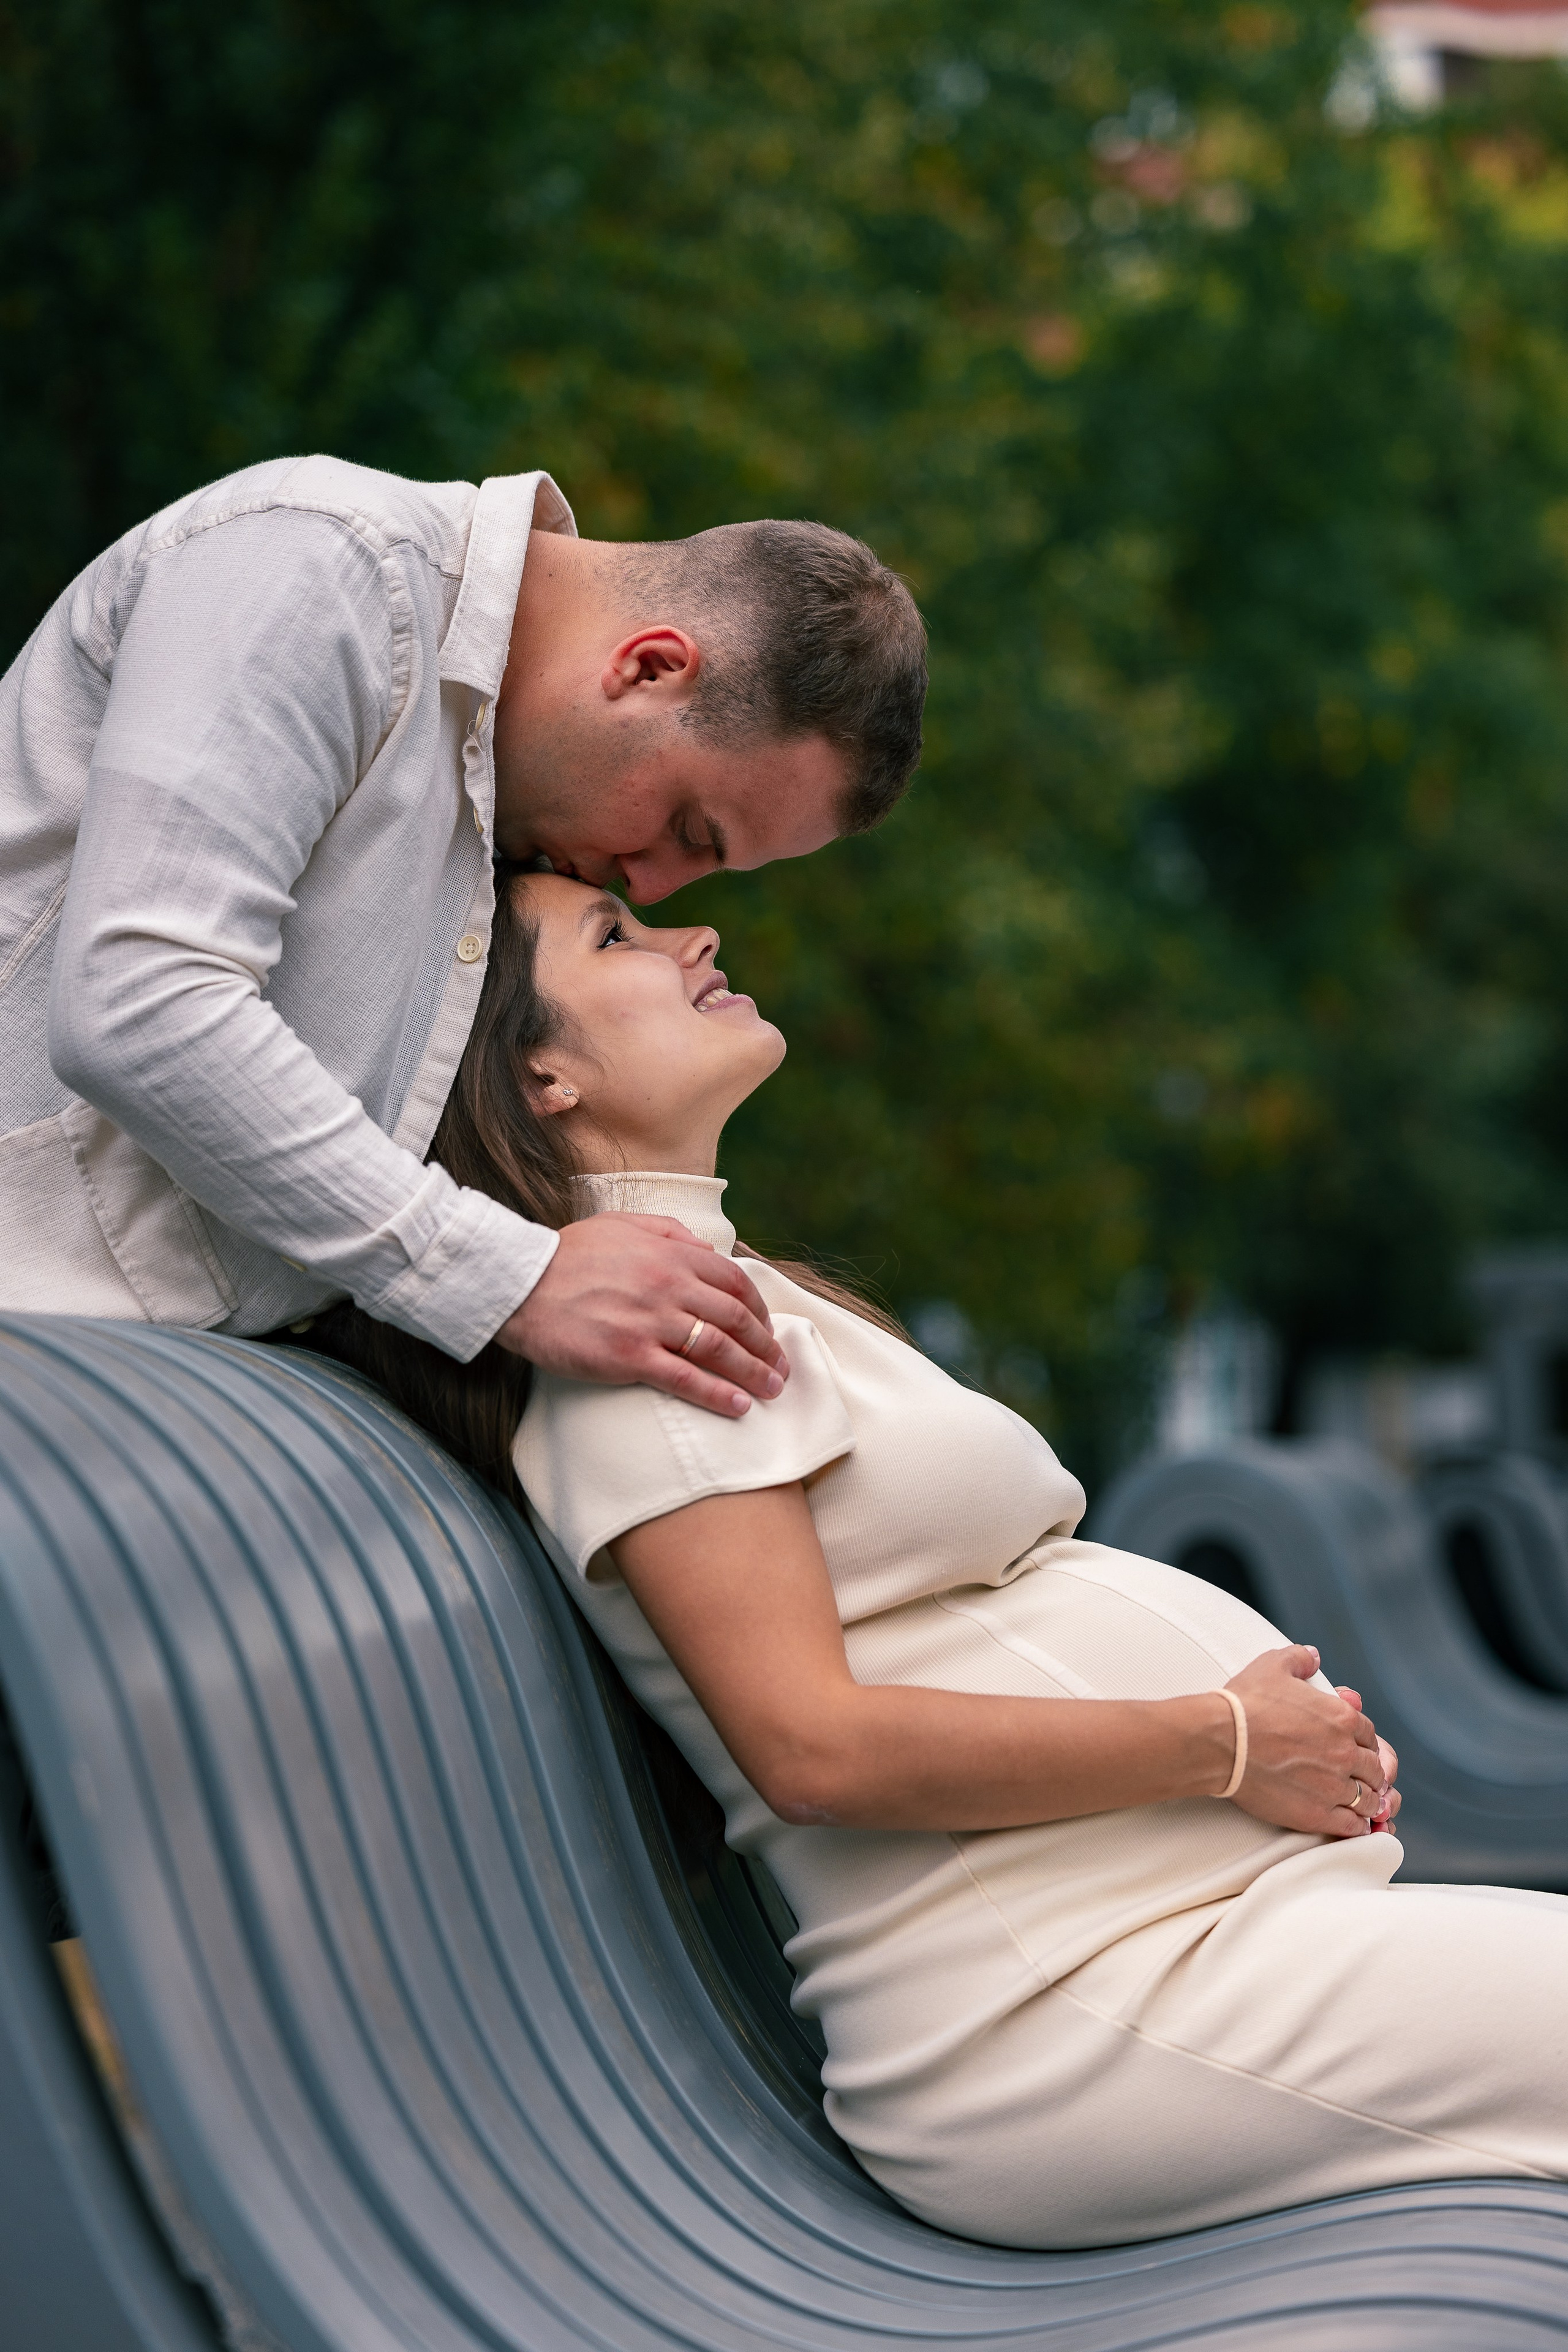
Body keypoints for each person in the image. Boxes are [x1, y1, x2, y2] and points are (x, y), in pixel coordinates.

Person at [309, 864, 1568, 2253]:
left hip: (1167, 1949)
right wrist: (1224, 1745)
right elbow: (815, 1752)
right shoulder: (655, 1365)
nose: (696, 929)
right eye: (616, 934)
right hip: (1073, 2020)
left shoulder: (704, 1295)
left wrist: (1266, 1760)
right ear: (538, 1074)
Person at [0, 454, 924, 1419]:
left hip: (120, 1401)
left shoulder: (501, 802)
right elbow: (141, 996)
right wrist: (509, 1280)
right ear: (650, 667)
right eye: (690, 830)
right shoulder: (322, 563)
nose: (654, 886)